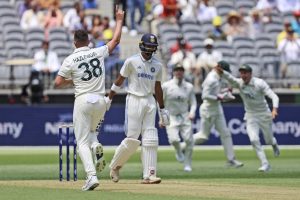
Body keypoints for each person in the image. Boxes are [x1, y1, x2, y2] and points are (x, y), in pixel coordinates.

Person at [54, 7, 124, 191]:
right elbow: (116, 40)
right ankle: (96, 146)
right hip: (100, 100)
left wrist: (72, 80)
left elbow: (57, 82)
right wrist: (118, 20)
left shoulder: (70, 59)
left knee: (81, 142)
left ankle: (91, 176)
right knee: (91, 133)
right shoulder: (98, 51)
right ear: (88, 41)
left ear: (75, 42)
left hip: (83, 100)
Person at [107, 33, 170, 184]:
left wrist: (162, 109)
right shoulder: (131, 61)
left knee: (151, 137)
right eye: (148, 47)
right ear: (142, 46)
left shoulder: (157, 65)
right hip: (134, 98)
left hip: (149, 100)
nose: (150, 50)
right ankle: (115, 166)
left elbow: (158, 87)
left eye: (152, 48)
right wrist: (109, 97)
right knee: (132, 139)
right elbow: (120, 80)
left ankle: (149, 174)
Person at [220, 64, 280, 172]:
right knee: (253, 139)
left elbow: (274, 96)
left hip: (264, 114)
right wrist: (222, 72)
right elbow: (230, 78)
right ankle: (265, 163)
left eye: (245, 73)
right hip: (250, 115)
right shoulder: (239, 83)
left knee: (269, 140)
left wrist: (274, 109)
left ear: (250, 74)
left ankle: (274, 144)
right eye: (241, 73)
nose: (243, 75)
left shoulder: (259, 83)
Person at [191, 61, 244, 168]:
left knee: (225, 133)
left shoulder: (217, 77)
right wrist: (221, 97)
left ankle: (231, 160)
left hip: (217, 108)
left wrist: (225, 91)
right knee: (203, 136)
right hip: (208, 109)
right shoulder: (211, 79)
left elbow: (215, 92)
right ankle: (182, 145)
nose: (225, 73)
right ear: (219, 69)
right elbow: (205, 96)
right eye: (224, 71)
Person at [161, 63, 197, 172]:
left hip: (185, 116)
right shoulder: (166, 86)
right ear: (173, 72)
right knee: (174, 139)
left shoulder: (189, 87)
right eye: (177, 70)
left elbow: (193, 103)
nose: (179, 72)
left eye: (181, 70)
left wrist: (192, 113)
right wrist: (162, 118)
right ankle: (178, 150)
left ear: (183, 72)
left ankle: (187, 164)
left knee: (188, 140)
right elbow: (161, 103)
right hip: (170, 116)